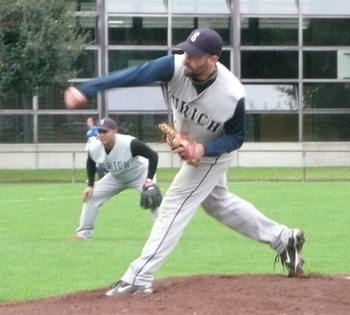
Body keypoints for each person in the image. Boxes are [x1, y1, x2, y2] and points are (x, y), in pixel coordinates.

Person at [65, 28, 305, 295]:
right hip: (190, 146)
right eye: (186, 51)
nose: (187, 57)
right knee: (218, 204)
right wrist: (87, 89)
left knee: (174, 205)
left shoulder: (232, 95)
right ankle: (284, 239)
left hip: (212, 153)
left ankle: (139, 277)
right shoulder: (175, 66)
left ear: (213, 59)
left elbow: (236, 137)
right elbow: (135, 74)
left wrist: (203, 149)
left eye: (195, 55)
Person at [73, 117, 160, 241]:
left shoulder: (129, 143)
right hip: (116, 177)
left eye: (105, 131)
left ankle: (164, 233)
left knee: (153, 199)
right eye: (100, 131)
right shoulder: (95, 146)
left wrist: (149, 181)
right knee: (91, 196)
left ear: (114, 132)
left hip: (139, 174)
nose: (101, 135)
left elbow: (153, 156)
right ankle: (83, 234)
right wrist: (90, 185)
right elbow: (91, 162)